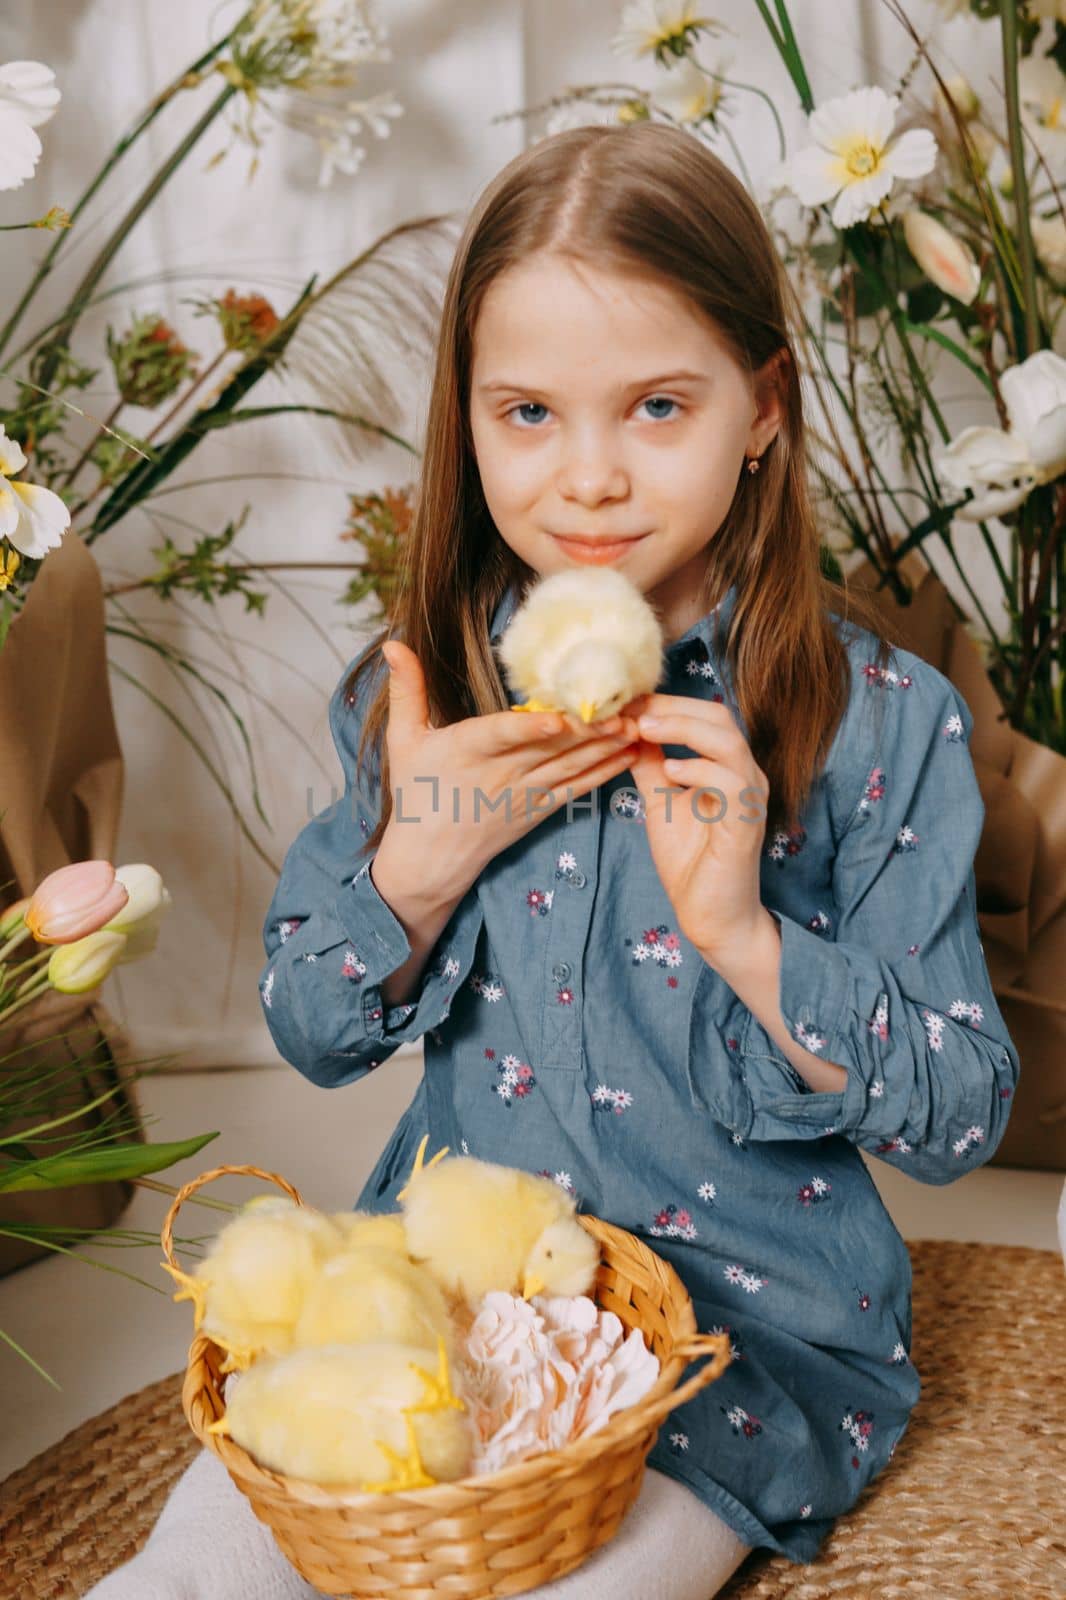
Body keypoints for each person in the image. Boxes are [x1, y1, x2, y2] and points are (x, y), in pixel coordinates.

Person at [88, 121, 1019, 1600]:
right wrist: (413, 871)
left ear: (761, 408)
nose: (586, 478)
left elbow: (959, 1120)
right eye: (527, 413)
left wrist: (743, 936)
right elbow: (310, 1033)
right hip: (440, 1281)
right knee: (201, 1554)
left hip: (737, 1337)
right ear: (465, 418)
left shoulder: (877, 722)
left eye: (656, 406)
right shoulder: (417, 702)